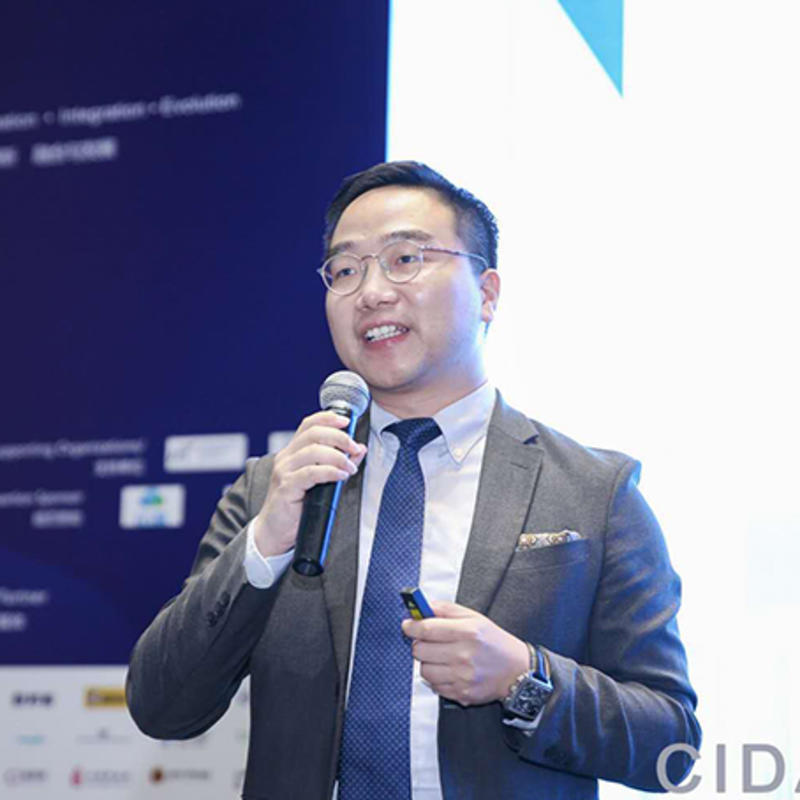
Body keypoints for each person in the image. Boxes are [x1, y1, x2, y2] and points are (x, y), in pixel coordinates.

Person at [126, 161, 700, 799]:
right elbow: (162, 706)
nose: (372, 292)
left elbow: (670, 745)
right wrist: (264, 545)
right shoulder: (276, 490)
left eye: (405, 259)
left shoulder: (594, 491)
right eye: (346, 270)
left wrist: (525, 678)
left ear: (487, 293)